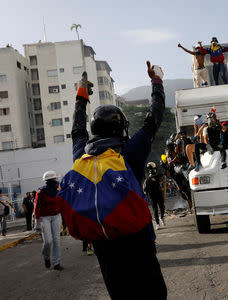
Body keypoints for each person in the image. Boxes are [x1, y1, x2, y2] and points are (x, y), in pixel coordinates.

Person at [58, 63, 167, 299]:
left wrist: (81, 94)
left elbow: (77, 130)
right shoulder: (130, 152)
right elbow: (153, 118)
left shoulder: (81, 156)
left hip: (103, 245)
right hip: (139, 242)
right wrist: (156, 82)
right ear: (121, 129)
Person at [34, 171, 63, 270]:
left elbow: (62, 203)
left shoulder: (58, 190)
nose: (57, 181)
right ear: (51, 180)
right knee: (48, 241)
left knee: (57, 240)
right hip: (44, 218)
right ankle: (46, 257)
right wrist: (37, 220)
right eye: (55, 179)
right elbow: (36, 206)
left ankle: (56, 263)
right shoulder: (41, 191)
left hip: (56, 216)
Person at [143, 162, 166, 230]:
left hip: (158, 193)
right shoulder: (147, 177)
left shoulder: (158, 175)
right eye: (149, 169)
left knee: (162, 207)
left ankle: (161, 217)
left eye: (152, 168)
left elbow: (162, 176)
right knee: (155, 209)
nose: (151, 170)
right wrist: (147, 194)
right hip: (152, 195)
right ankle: (157, 223)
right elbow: (145, 188)